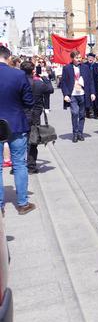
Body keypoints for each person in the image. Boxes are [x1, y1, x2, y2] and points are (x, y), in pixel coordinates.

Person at [0, 46, 36, 216]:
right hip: (15, 122)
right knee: (19, 163)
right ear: (7, 58)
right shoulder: (18, 74)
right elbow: (29, 101)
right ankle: (22, 203)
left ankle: (0, 206)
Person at [21, 60, 53, 174]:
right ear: (33, 71)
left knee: (20, 140)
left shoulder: (19, 83)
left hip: (22, 114)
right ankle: (31, 166)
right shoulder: (39, 83)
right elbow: (50, 90)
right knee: (33, 140)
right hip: (35, 114)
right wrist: (46, 78)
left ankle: (18, 165)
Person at [61, 50, 96, 142]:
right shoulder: (67, 68)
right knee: (75, 113)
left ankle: (80, 133)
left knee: (81, 114)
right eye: (77, 58)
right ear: (72, 59)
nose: (79, 59)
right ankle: (75, 133)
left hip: (83, 94)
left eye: (80, 57)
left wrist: (92, 93)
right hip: (72, 94)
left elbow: (91, 80)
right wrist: (65, 95)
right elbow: (63, 82)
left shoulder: (85, 68)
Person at [84, 52, 98, 118]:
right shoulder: (85, 65)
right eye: (89, 58)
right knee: (87, 98)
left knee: (96, 99)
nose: (90, 59)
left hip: (96, 84)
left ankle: (96, 113)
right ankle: (87, 112)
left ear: (94, 59)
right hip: (87, 84)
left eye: (91, 58)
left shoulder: (97, 65)